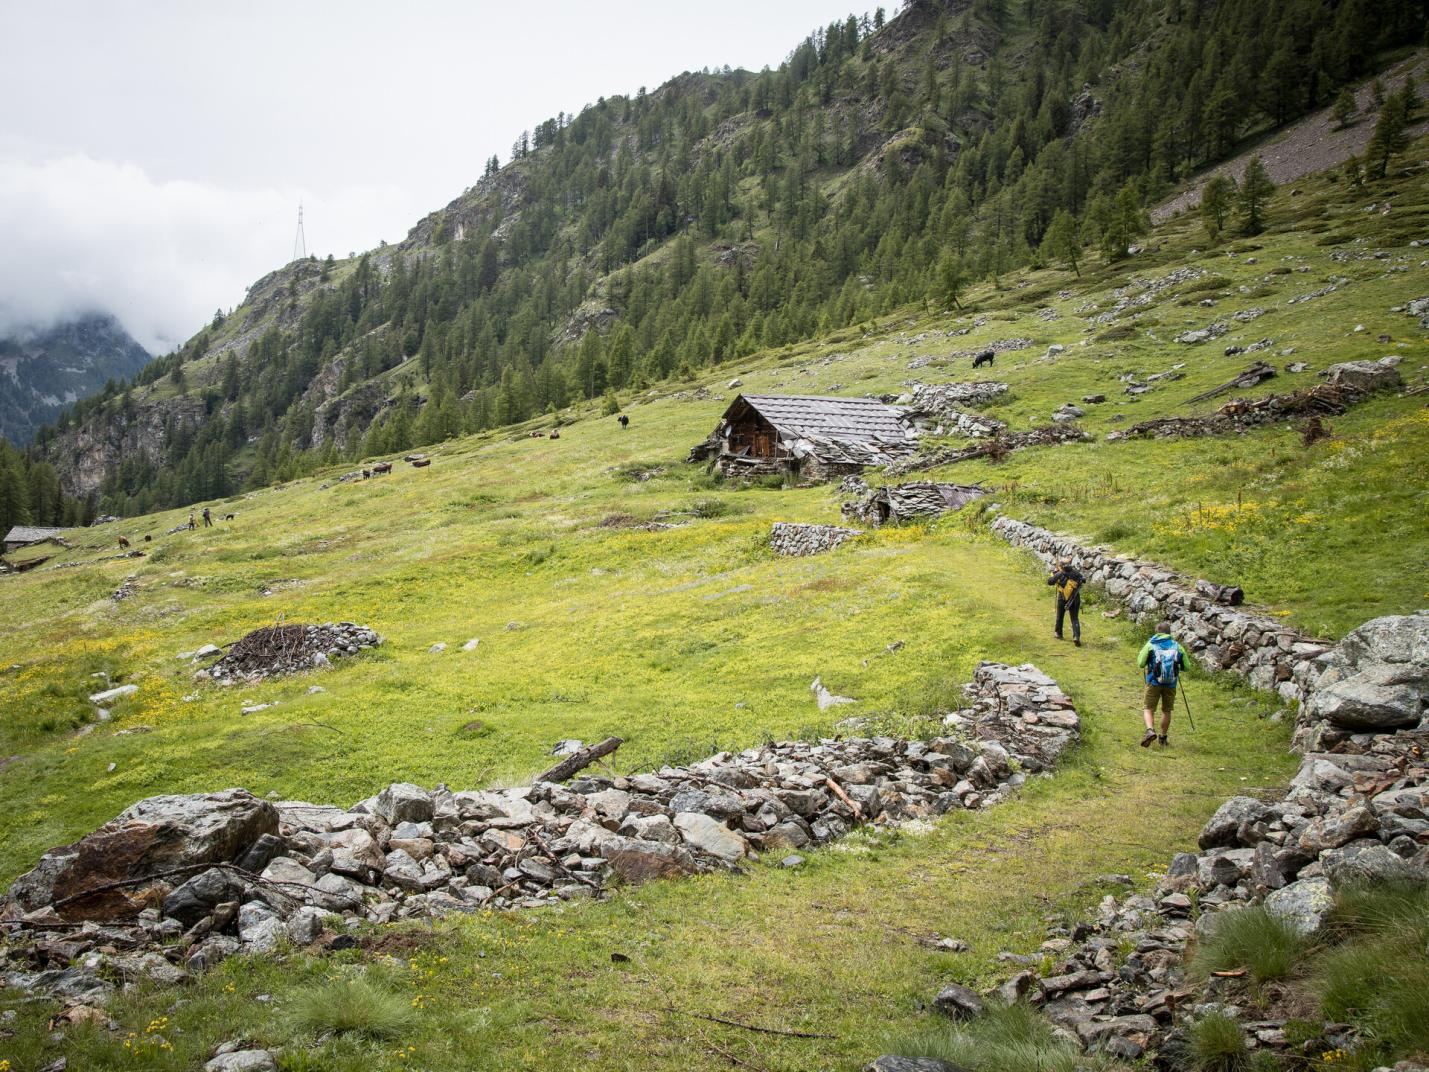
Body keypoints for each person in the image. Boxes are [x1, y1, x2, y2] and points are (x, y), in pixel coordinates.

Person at [1138, 621, 1188, 748]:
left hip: (1153, 681)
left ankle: (1150, 730)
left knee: (1148, 708)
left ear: (1157, 632)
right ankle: (1163, 737)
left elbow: (1140, 663)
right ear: (1169, 632)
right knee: (1167, 710)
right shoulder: (1177, 646)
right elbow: (1187, 667)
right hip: (1171, 683)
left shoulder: (1151, 644)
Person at [1047, 558, 1083, 646]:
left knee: (1060, 616)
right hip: (1075, 599)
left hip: (1062, 598)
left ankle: (1058, 633)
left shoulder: (1059, 574)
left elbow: (1050, 582)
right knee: (1074, 618)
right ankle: (1076, 637)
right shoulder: (1077, 573)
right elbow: (1083, 580)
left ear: (1061, 566)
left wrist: (1054, 573)